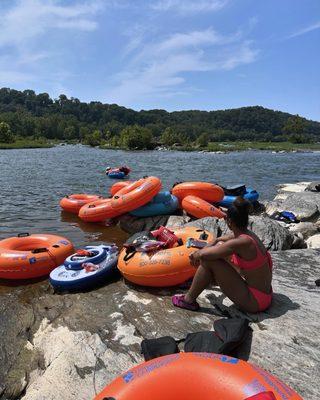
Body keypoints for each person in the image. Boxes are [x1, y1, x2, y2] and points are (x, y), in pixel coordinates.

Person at [172, 197, 273, 313]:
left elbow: (204, 255)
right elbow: (224, 239)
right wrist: (215, 241)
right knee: (217, 251)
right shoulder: (248, 236)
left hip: (255, 302)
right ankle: (204, 279)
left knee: (208, 260)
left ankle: (188, 300)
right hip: (264, 296)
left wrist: (195, 255)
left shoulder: (241, 242)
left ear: (229, 222)